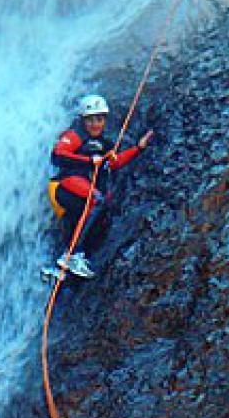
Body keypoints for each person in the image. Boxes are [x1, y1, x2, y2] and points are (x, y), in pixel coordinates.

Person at [48, 93, 153, 279]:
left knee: (92, 218)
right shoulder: (74, 135)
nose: (95, 123)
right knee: (97, 199)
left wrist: (138, 148)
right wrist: (89, 161)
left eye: (100, 119)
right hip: (64, 185)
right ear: (82, 120)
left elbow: (114, 163)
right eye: (90, 119)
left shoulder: (104, 144)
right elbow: (58, 155)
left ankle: (61, 269)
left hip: (79, 191)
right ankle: (72, 255)